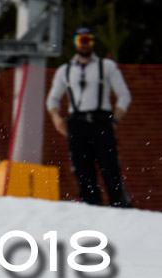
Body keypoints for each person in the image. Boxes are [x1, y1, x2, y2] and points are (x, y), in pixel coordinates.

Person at [46, 27, 132, 208]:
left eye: (88, 40)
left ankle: (121, 209)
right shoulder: (65, 71)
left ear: (93, 42)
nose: (85, 45)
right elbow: (52, 99)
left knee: (110, 168)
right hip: (77, 124)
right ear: (75, 43)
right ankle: (91, 209)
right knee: (82, 171)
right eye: (81, 40)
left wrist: (115, 120)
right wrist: (57, 119)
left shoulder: (106, 66)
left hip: (102, 122)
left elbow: (124, 95)